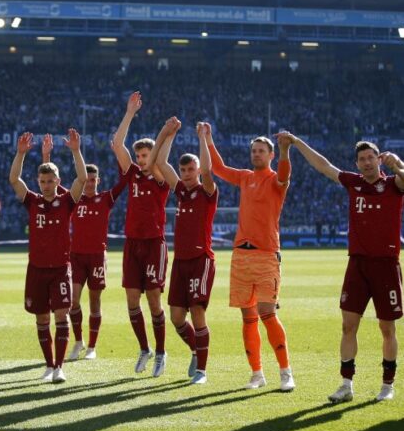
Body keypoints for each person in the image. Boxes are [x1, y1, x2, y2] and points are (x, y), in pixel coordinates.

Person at [280, 134, 404, 402]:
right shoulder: (354, 183)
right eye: (362, 159)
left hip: (386, 266)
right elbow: (323, 165)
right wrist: (297, 143)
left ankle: (387, 385)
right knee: (348, 327)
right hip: (357, 265)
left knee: (387, 329)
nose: (367, 162)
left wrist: (398, 165)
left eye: (371, 157)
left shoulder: (394, 184)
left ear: (379, 158)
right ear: (357, 164)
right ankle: (346, 385)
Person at [203, 123, 295, 391]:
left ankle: (285, 371)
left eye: (261, 151)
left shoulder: (276, 179)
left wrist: (284, 150)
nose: (256, 154)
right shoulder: (245, 176)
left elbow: (285, 174)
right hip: (241, 255)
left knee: (267, 312)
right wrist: (208, 139)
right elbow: (218, 169)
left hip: (266, 254)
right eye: (253, 150)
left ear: (269, 155)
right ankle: (257, 374)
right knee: (247, 318)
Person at [9, 130, 87, 382]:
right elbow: (14, 180)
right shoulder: (32, 201)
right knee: (42, 318)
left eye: (50, 181)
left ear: (57, 180)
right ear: (39, 182)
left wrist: (75, 150)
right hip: (37, 269)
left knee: (61, 315)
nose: (46, 185)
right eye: (42, 182)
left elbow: (83, 178)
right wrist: (20, 154)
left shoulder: (67, 201)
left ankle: (60, 367)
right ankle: (49, 365)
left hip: (60, 269)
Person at [41, 134, 126, 360]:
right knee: (73, 301)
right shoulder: (73, 199)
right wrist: (46, 155)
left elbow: (124, 181)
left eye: (92, 180)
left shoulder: (106, 199)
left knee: (95, 301)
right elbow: (52, 187)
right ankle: (78, 341)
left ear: (98, 181)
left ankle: (92, 347)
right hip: (76, 257)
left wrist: (119, 155)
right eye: (85, 180)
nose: (88, 183)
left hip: (97, 256)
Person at [111, 91, 170, 377]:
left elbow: (159, 160)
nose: (141, 159)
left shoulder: (161, 178)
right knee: (132, 301)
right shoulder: (132, 173)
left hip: (154, 244)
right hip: (132, 244)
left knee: (154, 301)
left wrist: (162, 139)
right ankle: (145, 349)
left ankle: (161, 353)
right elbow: (116, 144)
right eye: (139, 155)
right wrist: (130, 113)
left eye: (145, 155)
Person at [154, 118, 218, 385]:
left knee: (198, 312)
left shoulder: (207, 191)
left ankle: (202, 371)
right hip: (180, 262)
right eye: (184, 170)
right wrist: (168, 134)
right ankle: (195, 349)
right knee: (177, 317)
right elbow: (160, 164)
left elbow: (208, 173)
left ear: (198, 169)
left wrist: (203, 137)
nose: (187, 173)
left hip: (201, 260)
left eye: (191, 169)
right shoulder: (180, 192)